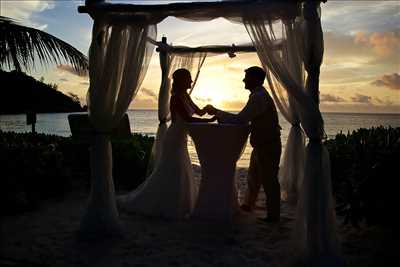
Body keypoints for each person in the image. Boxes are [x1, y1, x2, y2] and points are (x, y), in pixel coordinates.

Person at [118, 68, 215, 219]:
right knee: (172, 168)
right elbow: (187, 119)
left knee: (180, 169)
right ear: (182, 80)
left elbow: (199, 112)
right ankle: (166, 204)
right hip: (174, 138)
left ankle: (180, 204)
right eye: (188, 78)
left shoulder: (186, 96)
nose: (191, 81)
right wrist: (208, 121)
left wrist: (209, 109)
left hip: (181, 139)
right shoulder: (176, 98)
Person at [205, 66, 282, 222]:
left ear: (254, 79)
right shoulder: (258, 95)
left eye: (246, 77)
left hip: (267, 144)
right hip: (262, 143)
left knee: (269, 181)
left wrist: (217, 112)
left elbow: (241, 119)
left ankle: (273, 216)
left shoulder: (258, 97)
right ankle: (248, 205)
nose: (243, 80)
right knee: (253, 177)